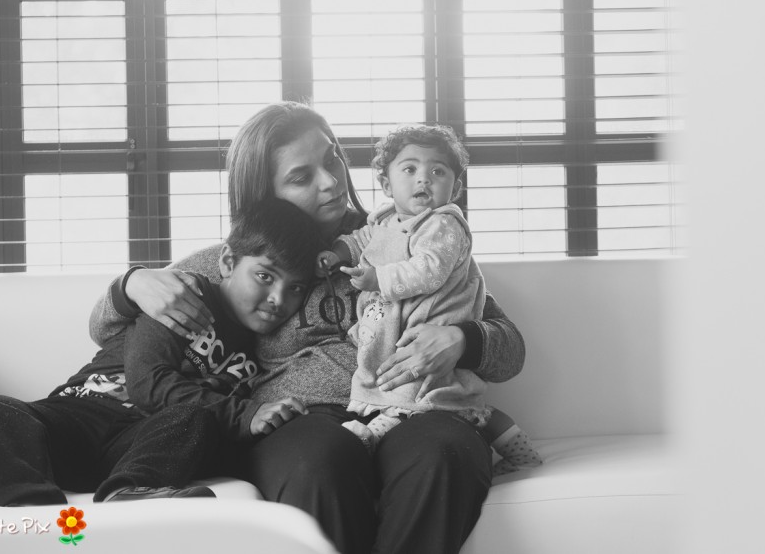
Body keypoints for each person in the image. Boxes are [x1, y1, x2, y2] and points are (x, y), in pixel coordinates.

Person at [86, 100, 527, 554]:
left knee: (447, 453)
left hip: (413, 406)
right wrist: (131, 284)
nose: (331, 182)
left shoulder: (411, 236)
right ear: (264, 192)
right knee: (318, 461)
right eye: (301, 177)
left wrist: (462, 339)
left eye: (332, 159)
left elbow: (510, 350)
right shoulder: (246, 258)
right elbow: (104, 329)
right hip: (302, 420)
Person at [0, 197, 319, 506]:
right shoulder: (183, 293)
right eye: (265, 276)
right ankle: (30, 505)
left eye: (295, 288)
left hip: (138, 445)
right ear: (228, 262)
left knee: (194, 418)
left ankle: (130, 492)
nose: (278, 300)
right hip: (82, 414)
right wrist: (244, 414)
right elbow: (148, 382)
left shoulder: (269, 351)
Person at [319, 123, 541, 475]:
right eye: (410, 169)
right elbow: (362, 240)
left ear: (456, 188)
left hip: (433, 323)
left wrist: (378, 278)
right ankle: (522, 456)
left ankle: (372, 435)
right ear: (386, 185)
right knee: (460, 402)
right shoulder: (385, 221)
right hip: (391, 335)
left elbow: (429, 270)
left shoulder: (443, 225)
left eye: (438, 171)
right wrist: (337, 252)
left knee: (415, 394)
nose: (423, 178)